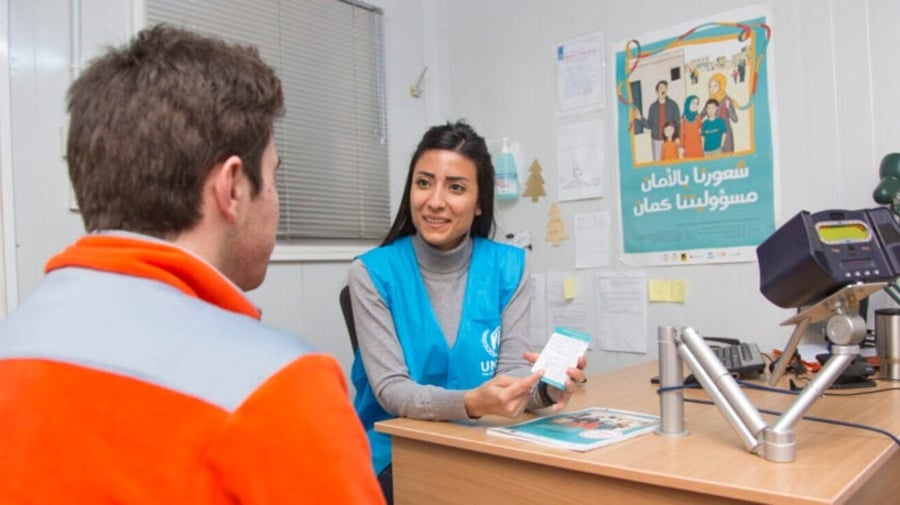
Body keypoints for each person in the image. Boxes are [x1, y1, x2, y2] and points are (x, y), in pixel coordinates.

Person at [0, 25, 384, 504]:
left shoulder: (13, 343)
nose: (275, 198)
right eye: (273, 176)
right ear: (232, 188)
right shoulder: (281, 387)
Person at [348, 120, 587, 503]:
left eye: (455, 187)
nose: (435, 201)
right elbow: (392, 390)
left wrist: (544, 389)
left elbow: (511, 371)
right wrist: (470, 404)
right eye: (424, 183)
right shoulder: (372, 273)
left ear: (479, 203)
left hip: (480, 443)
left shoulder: (510, 266)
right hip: (395, 453)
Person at [634, 80, 681, 161]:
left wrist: (677, 137)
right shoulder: (653, 107)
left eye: (665, 88)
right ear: (657, 91)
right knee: (658, 163)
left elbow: (677, 123)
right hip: (657, 141)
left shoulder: (673, 105)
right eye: (661, 88)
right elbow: (649, 125)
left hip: (670, 140)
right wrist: (640, 118)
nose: (663, 90)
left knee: (672, 163)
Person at [708, 72, 739, 153]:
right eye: (710, 86)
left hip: (726, 136)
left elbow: (735, 119)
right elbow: (702, 114)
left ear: (721, 86)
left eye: (715, 86)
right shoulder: (710, 101)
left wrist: (728, 108)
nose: (712, 88)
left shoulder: (727, 100)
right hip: (713, 135)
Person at [680, 95, 704, 159]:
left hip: (698, 146)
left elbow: (702, 130)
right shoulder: (684, 118)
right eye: (693, 103)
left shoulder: (698, 117)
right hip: (688, 147)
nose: (695, 105)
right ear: (688, 104)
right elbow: (682, 134)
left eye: (697, 104)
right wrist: (681, 147)